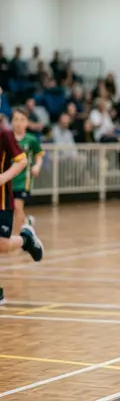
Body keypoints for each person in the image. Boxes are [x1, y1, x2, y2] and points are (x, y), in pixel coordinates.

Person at [0, 124, 44, 303]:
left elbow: (22, 161)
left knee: (2, 245)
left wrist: (3, 177)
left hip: (2, 201)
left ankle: (26, 239)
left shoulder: (4, 133)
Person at [11, 109, 44, 233]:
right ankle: (27, 223)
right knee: (13, 209)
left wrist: (37, 166)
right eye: (16, 119)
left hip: (24, 179)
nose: (19, 123)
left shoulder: (31, 140)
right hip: (9, 179)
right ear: (12, 122)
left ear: (27, 123)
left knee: (17, 206)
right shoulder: (7, 139)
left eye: (22, 119)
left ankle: (20, 237)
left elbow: (39, 156)